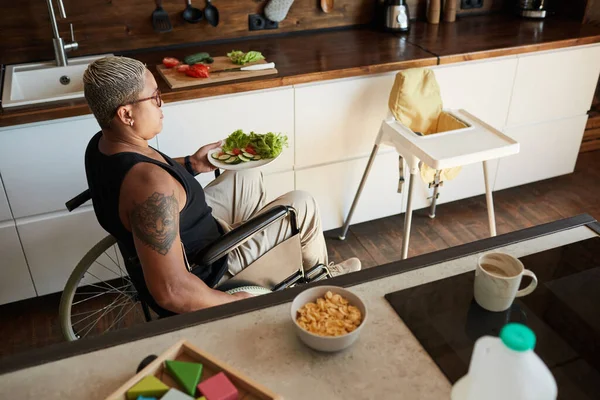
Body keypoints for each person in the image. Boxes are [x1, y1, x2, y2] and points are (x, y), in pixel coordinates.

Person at [82, 56, 361, 315]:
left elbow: (151, 179)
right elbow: (171, 291)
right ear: (126, 114)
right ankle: (321, 285)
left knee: (244, 174)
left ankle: (267, 250)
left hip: (192, 229)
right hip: (210, 267)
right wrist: (233, 302)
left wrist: (192, 164)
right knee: (302, 204)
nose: (161, 104)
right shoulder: (149, 185)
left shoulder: (101, 144)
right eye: (154, 97)